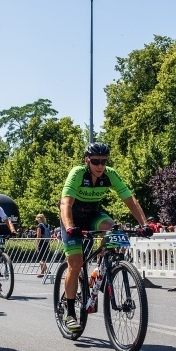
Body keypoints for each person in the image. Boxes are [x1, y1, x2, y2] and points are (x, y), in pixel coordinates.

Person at [59, 142, 151, 331]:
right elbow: (65, 203)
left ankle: (102, 268)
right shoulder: (77, 173)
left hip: (93, 214)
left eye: (103, 161)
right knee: (75, 264)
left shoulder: (110, 174)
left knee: (114, 229)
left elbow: (130, 200)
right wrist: (69, 226)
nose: (100, 166)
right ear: (87, 161)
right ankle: (69, 313)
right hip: (73, 218)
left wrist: (144, 225)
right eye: (95, 161)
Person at [35, 213, 51, 278]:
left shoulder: (40, 226)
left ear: (39, 218)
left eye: (37, 219)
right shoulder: (48, 225)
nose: (37, 220)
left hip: (41, 243)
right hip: (47, 242)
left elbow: (38, 236)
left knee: (40, 259)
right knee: (43, 258)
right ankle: (42, 273)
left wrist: (37, 244)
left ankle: (47, 270)